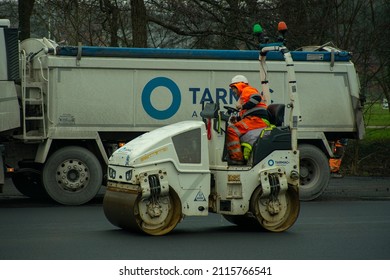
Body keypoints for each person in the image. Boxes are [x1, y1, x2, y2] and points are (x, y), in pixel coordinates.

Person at [226, 75, 270, 164]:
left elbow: (256, 98)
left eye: (233, 88)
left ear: (239, 85)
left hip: (257, 120)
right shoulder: (244, 95)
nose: (233, 91)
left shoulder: (247, 90)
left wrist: (242, 106)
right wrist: (238, 118)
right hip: (254, 119)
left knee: (231, 130)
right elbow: (248, 111)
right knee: (234, 128)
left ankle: (237, 159)